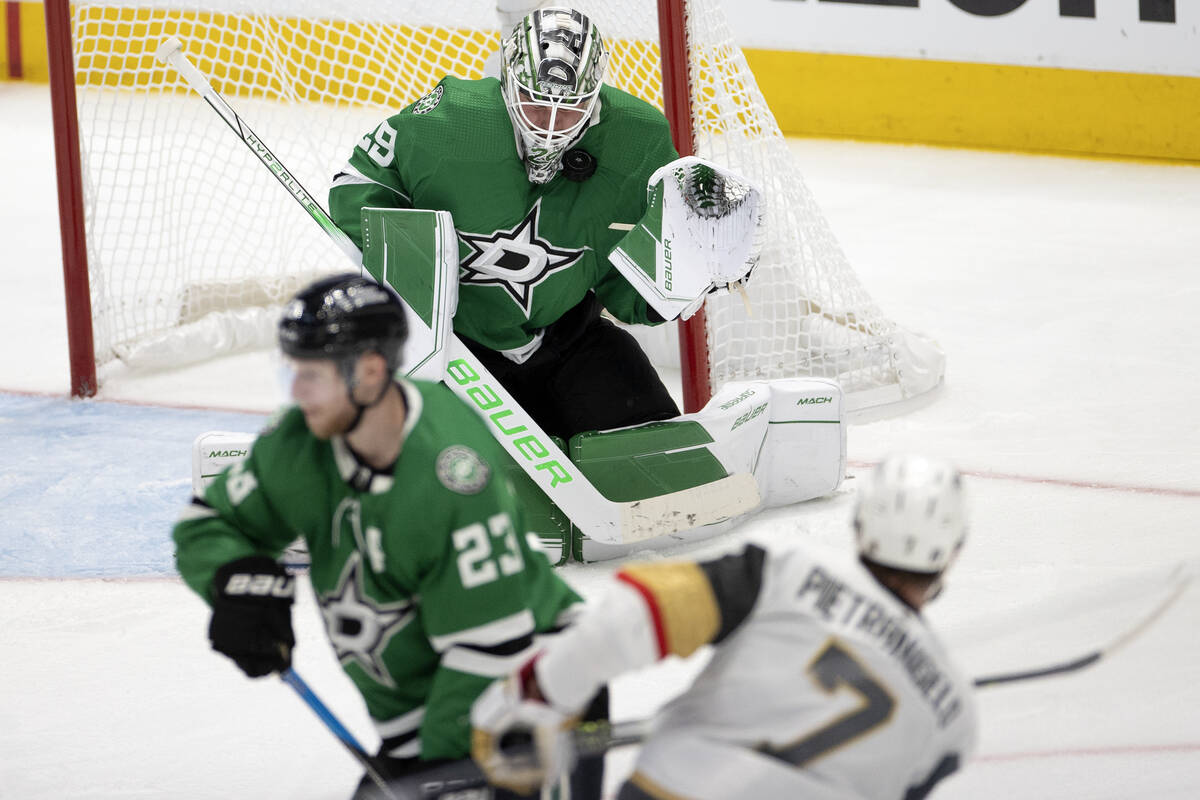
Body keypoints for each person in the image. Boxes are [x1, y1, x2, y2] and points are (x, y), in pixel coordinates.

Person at [172, 273, 604, 799]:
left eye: (314, 375)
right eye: (293, 371)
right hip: (422, 716)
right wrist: (233, 578)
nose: (297, 392)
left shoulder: (451, 474)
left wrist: (437, 767)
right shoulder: (298, 443)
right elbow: (208, 525)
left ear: (371, 373)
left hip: (530, 689)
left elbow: (491, 648)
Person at [471, 455, 979, 799]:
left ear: (861, 523)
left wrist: (538, 696)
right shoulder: (956, 717)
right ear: (952, 553)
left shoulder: (789, 572)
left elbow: (637, 616)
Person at [328, 6, 685, 442]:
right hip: (455, 350)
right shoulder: (449, 121)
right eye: (535, 104)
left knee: (646, 439)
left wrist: (679, 278)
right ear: (507, 83)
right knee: (415, 457)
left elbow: (633, 276)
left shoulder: (638, 141)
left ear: (596, 96)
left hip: (568, 338)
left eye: (570, 110)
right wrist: (402, 263)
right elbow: (358, 181)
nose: (551, 126)